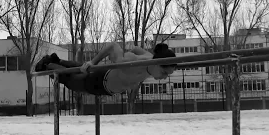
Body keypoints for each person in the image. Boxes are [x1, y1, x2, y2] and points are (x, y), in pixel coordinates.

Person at [35, 42, 176, 96]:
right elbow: (113, 46)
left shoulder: (150, 58)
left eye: (167, 75)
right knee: (70, 80)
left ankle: (56, 60)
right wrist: (93, 61)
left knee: (80, 69)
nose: (164, 77)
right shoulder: (130, 63)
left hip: (107, 78)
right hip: (100, 81)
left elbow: (136, 49)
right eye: (164, 73)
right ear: (157, 64)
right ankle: (45, 65)